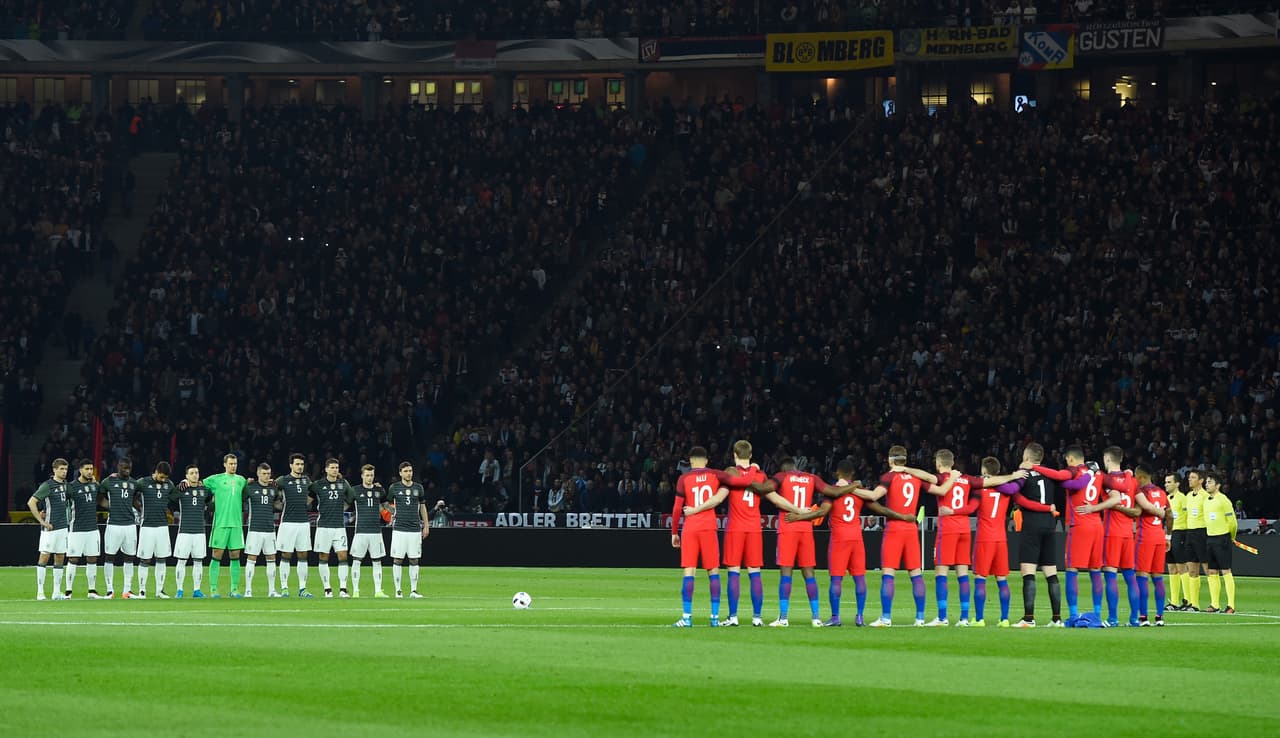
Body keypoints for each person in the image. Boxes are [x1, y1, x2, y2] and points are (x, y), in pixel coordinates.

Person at [905, 450, 1026, 626]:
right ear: (952, 463)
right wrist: (1014, 475)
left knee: (941, 573)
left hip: (948, 529)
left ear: (939, 463)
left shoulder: (942, 478)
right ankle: (963, 618)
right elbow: (992, 481)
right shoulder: (968, 479)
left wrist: (905, 469)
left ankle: (942, 617)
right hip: (965, 531)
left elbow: (925, 477)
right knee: (963, 574)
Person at [785, 458, 907, 627]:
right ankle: (860, 617)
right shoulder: (860, 492)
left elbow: (821, 512)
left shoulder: (833, 491)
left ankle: (835, 617)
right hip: (857, 538)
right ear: (853, 475)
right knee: (860, 579)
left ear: (837, 473)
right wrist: (903, 517)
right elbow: (882, 510)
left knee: (836, 579)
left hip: (839, 539)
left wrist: (798, 517)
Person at [933, 457, 1043, 627]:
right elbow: (1018, 485)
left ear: (984, 471)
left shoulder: (980, 490)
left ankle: (979, 619)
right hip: (1001, 539)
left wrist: (952, 510)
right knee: (1002, 579)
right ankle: (1005, 619)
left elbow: (970, 509)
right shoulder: (1008, 490)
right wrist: (1020, 474)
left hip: (984, 538)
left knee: (980, 578)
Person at [668, 445, 756, 627]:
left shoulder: (684, 478)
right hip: (709, 527)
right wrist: (753, 468)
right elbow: (742, 482)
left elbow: (677, 508)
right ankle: (714, 618)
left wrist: (674, 532)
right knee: (713, 572)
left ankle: (686, 617)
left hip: (691, 528)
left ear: (691, 461)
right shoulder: (716, 474)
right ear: (706, 461)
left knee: (689, 571)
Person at [747, 457, 836, 627]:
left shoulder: (782, 477)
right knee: (809, 574)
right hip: (805, 529)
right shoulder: (811, 478)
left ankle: (783, 617)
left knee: (786, 574)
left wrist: (753, 472)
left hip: (788, 526)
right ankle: (816, 618)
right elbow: (831, 491)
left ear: (783, 468)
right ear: (796, 467)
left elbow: (762, 488)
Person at [1030, 446, 1105, 622]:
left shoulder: (1075, 472)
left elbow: (1061, 478)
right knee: (1096, 571)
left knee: (1072, 570)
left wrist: (1034, 467)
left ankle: (1072, 615)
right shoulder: (1099, 473)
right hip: (1097, 524)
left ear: (1070, 459)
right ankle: (1097, 615)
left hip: (1080, 525)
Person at [868, 446, 932, 627]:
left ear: (890, 460)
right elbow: (938, 488)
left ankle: (886, 618)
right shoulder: (916, 477)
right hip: (911, 529)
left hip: (894, 528)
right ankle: (920, 618)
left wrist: (853, 489)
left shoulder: (889, 477)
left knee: (888, 573)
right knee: (916, 573)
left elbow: (874, 496)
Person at [717, 440, 767, 627]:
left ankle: (733, 616)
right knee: (755, 572)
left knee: (734, 572)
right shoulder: (760, 475)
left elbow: (721, 496)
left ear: (735, 455)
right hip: (754, 528)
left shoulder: (731, 471)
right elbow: (767, 492)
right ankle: (757, 617)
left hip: (736, 528)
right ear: (751, 455)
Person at [1098, 447, 1143, 627]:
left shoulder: (1105, 479)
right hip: (1128, 533)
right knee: (1130, 577)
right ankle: (1134, 619)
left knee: (1110, 576)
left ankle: (1113, 618)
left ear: (1107, 460)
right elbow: (1139, 509)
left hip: (1112, 532)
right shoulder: (1132, 481)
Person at [204, 453, 247, 598]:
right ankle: (213, 589)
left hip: (236, 524)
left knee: (235, 555)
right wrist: (186, 479)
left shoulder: (241, 480)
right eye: (231, 464)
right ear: (225, 464)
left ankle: (234, 589)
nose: (233, 466)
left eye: (235, 464)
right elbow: (198, 483)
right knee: (217, 555)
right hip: (221, 523)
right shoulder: (216, 479)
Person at [28, 458, 71, 600]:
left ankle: (56, 592)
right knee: (44, 557)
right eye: (61, 469)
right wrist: (42, 521)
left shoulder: (66, 485)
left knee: (60, 557)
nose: (64, 472)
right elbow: (31, 502)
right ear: (54, 470)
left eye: (65, 469)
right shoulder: (47, 485)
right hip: (50, 529)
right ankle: (40, 592)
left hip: (63, 527)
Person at [310, 458, 353, 598]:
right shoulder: (318, 485)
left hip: (339, 527)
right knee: (323, 556)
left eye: (337, 467)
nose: (335, 470)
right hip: (323, 526)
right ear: (326, 469)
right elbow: (308, 498)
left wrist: (342, 508)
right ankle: (327, 588)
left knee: (343, 556)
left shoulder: (343, 483)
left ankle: (343, 589)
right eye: (332, 467)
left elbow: (351, 497)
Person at [1132, 465, 1169, 626]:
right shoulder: (1161, 492)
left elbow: (1138, 512)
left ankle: (1143, 617)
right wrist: (1169, 536)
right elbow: (1170, 514)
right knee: (1158, 578)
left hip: (1144, 537)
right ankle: (1160, 617)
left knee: (1142, 577)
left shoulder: (1142, 493)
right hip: (1160, 537)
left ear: (1140, 477)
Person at [388, 461, 430, 598]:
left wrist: (426, 525)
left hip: (414, 528)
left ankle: (413, 590)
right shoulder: (394, 488)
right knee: (398, 559)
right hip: (399, 528)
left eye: (410, 471)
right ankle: (398, 590)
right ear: (400, 473)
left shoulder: (419, 488)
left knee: (414, 559)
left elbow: (422, 506)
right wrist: (392, 514)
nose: (408, 473)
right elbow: (384, 503)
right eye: (405, 471)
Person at [275, 453, 315, 598]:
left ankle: (302, 589)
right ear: (291, 465)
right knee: (286, 555)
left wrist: (307, 501)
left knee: (303, 555)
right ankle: (284, 588)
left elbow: (315, 493)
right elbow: (271, 491)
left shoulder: (307, 481)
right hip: (288, 523)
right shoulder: (283, 480)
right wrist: (279, 505)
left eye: (301, 464)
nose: (299, 467)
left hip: (303, 523)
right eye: (297, 464)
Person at [347, 464, 390, 598]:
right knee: (356, 560)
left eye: (371, 475)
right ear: (362, 476)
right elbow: (345, 504)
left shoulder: (380, 491)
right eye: (367, 475)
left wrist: (396, 512)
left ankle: (378, 591)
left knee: (377, 561)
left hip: (376, 532)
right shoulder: (354, 491)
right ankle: (355, 591)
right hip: (360, 531)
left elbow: (386, 506)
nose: (369, 477)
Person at [135, 461, 176, 599]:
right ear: (156, 472)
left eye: (166, 478)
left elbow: (175, 497)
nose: (163, 480)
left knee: (161, 558)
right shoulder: (143, 482)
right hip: (147, 526)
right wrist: (139, 507)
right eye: (162, 477)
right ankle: (142, 591)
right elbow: (130, 491)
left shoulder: (169, 485)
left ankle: (160, 591)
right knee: (145, 559)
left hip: (163, 527)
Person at [100, 457, 139, 599]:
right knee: (110, 556)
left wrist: (140, 509)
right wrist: (110, 506)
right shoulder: (109, 481)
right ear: (118, 467)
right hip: (113, 525)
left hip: (130, 525)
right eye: (124, 467)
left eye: (129, 467)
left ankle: (127, 591)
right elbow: (99, 496)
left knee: (129, 557)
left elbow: (134, 500)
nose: (126, 470)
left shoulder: (134, 483)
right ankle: (110, 590)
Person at [66, 459, 103, 599]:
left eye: (91, 469)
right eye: (86, 469)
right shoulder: (72, 486)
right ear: (80, 470)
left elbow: (101, 499)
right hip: (77, 529)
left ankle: (92, 590)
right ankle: (68, 591)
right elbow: (60, 500)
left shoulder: (95, 486)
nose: (89, 471)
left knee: (92, 558)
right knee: (73, 559)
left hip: (92, 529)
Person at [243, 463, 281, 598]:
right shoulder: (250, 487)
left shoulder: (273, 489)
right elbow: (240, 500)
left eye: (268, 474)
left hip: (269, 529)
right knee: (251, 558)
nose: (266, 476)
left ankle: (272, 590)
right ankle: (248, 590)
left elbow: (278, 504)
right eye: (264, 473)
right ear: (258, 473)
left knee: (271, 558)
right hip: (254, 529)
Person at [1201, 472, 1237, 614]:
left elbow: (1232, 522)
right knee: (1212, 571)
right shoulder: (1206, 501)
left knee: (1226, 571)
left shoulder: (1224, 500)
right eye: (1207, 482)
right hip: (1210, 538)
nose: (1207, 484)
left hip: (1222, 538)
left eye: (1210, 482)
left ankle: (1231, 605)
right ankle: (1214, 604)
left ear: (1218, 485)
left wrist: (1231, 536)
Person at [173, 464, 209, 598]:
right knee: (181, 561)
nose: (195, 475)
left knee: (198, 561)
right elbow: (171, 499)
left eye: (197, 472)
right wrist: (180, 485)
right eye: (192, 473)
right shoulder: (181, 489)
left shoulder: (204, 490)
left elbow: (210, 503)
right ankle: (180, 590)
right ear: (187, 476)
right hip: (185, 531)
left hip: (200, 531)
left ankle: (197, 590)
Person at [1181, 469, 1208, 611]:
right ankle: (1194, 604)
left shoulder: (1205, 496)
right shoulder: (1188, 496)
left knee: (1208, 569)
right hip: (1190, 533)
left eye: (1193, 477)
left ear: (1201, 480)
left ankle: (1214, 603)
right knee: (1192, 570)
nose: (1189, 479)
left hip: (1202, 533)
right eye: (1189, 477)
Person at [1164, 473, 1188, 610]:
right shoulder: (1166, 499)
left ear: (1177, 484)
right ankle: (1174, 601)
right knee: (1171, 568)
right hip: (1169, 534)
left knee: (1181, 566)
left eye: (1169, 482)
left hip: (1180, 532)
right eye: (1166, 482)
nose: (1166, 484)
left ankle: (1187, 599)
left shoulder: (1183, 499)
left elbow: (1188, 516)